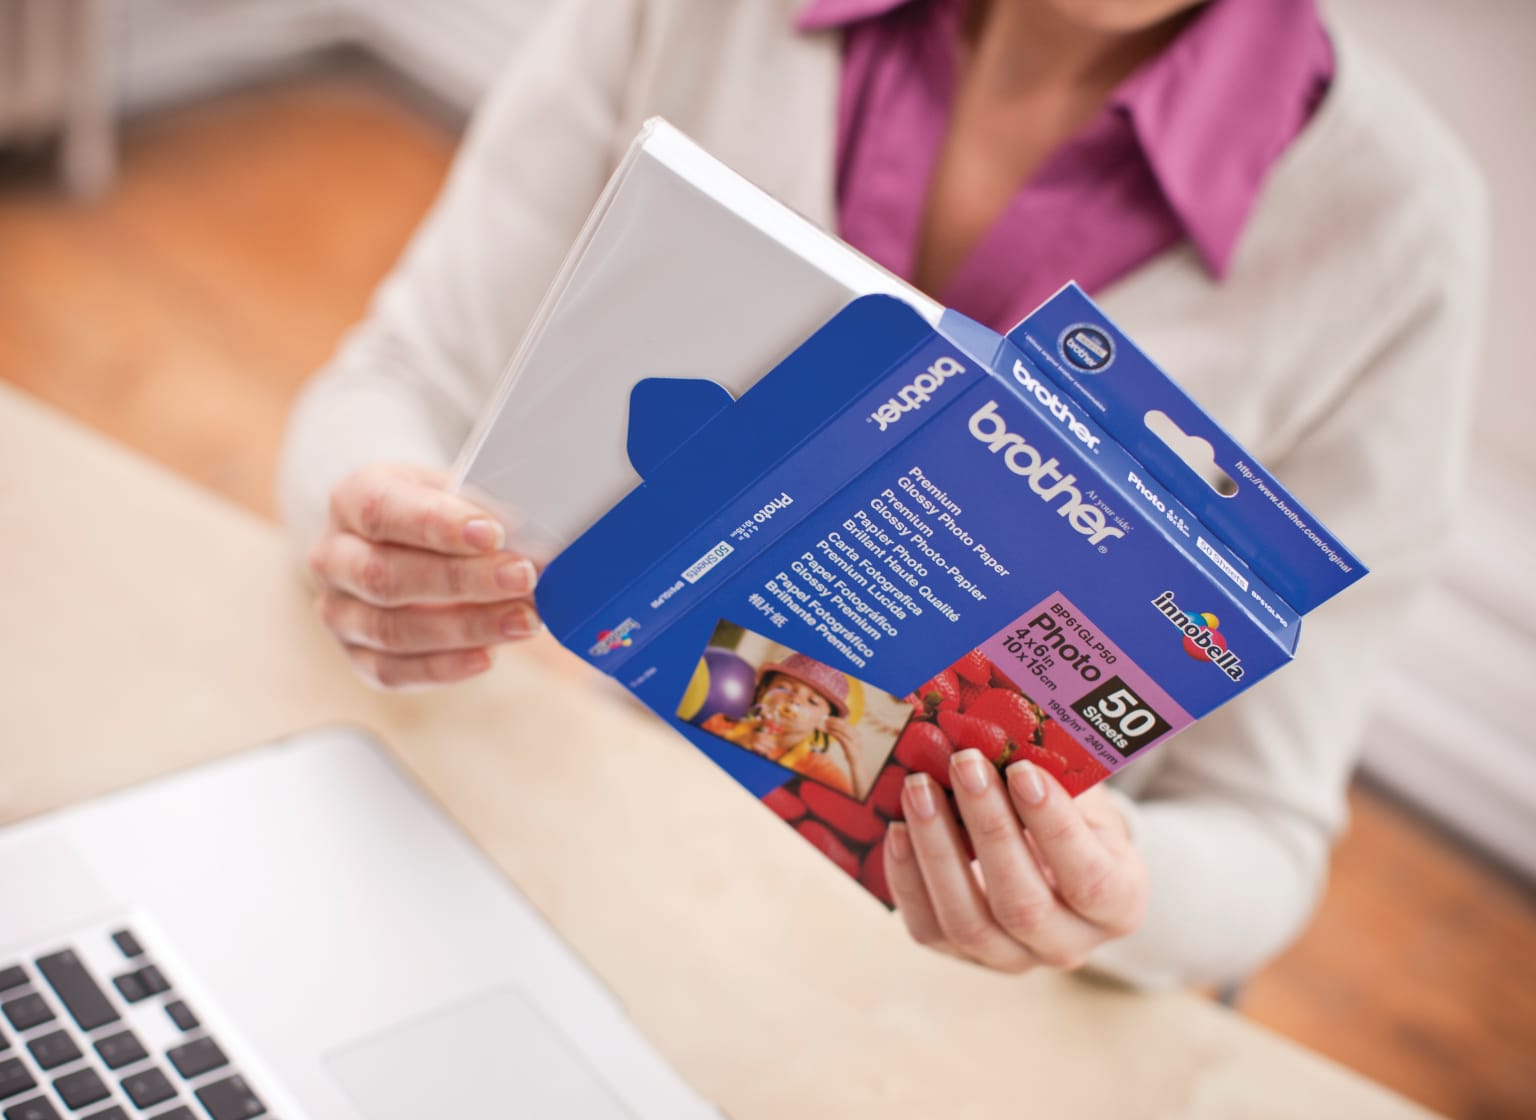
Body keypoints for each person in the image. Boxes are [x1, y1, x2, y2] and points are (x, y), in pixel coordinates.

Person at [279, 0, 1486, 988]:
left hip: (918, 995)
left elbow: (1261, 837)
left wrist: (1111, 895)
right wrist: (376, 532)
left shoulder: (1399, 233)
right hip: (552, 815)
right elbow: (395, 383)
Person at [699, 653, 866, 794]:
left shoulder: (822, 770)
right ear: (763, 693)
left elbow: (860, 821)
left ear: (823, 722)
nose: (795, 700)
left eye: (813, 701)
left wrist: (856, 762)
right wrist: (735, 745)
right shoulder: (720, 724)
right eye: (784, 687)